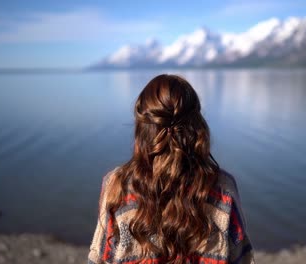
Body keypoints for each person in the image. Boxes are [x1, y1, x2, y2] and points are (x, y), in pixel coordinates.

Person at [88, 74, 254, 264]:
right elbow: (241, 257)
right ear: (197, 127)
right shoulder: (223, 187)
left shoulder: (117, 185)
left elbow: (100, 258)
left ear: (142, 129)